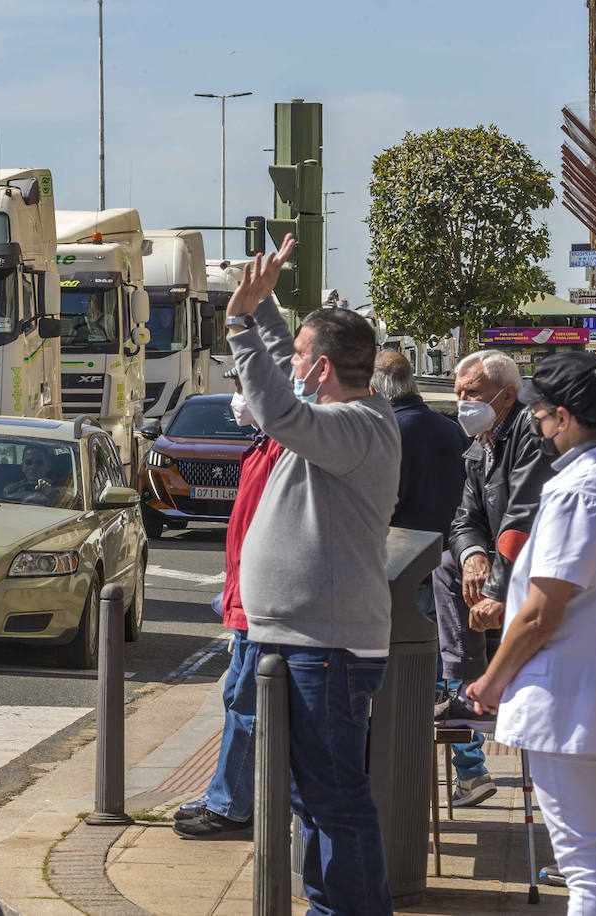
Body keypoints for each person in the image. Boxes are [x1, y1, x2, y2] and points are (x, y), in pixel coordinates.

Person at [225, 235, 401, 912]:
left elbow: (276, 406)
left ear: (323, 370)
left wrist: (241, 322)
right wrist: (265, 309)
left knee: (335, 801)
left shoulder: (354, 426)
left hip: (324, 649)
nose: (290, 364)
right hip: (306, 642)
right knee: (316, 801)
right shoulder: (343, 412)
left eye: (302, 358)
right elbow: (287, 362)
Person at [467, 352, 596, 915]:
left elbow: (540, 612)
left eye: (542, 415)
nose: (537, 425)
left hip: (566, 695)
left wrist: (492, 679)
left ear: (566, 417)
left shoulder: (579, 490)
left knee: (584, 865)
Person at [372, 352, 496, 806]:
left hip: (401, 574)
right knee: (450, 668)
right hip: (454, 567)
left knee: (403, 678)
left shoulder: (385, 434)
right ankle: (470, 767)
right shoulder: (451, 430)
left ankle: (400, 775)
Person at [175, 377, 285, 838]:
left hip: (263, 603)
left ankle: (231, 805)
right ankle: (228, 791)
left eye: (244, 383)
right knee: (235, 698)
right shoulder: (262, 443)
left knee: (248, 704)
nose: (237, 395)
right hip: (245, 599)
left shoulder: (282, 446)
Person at [439, 350, 555, 731]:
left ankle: (484, 689)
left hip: (537, 559)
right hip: (501, 556)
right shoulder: (479, 446)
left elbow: (522, 515)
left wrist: (496, 589)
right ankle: (467, 684)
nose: (463, 403)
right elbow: (464, 518)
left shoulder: (529, 429)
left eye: (472, 392)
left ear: (507, 394)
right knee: (448, 567)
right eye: (458, 393)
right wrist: (473, 555)